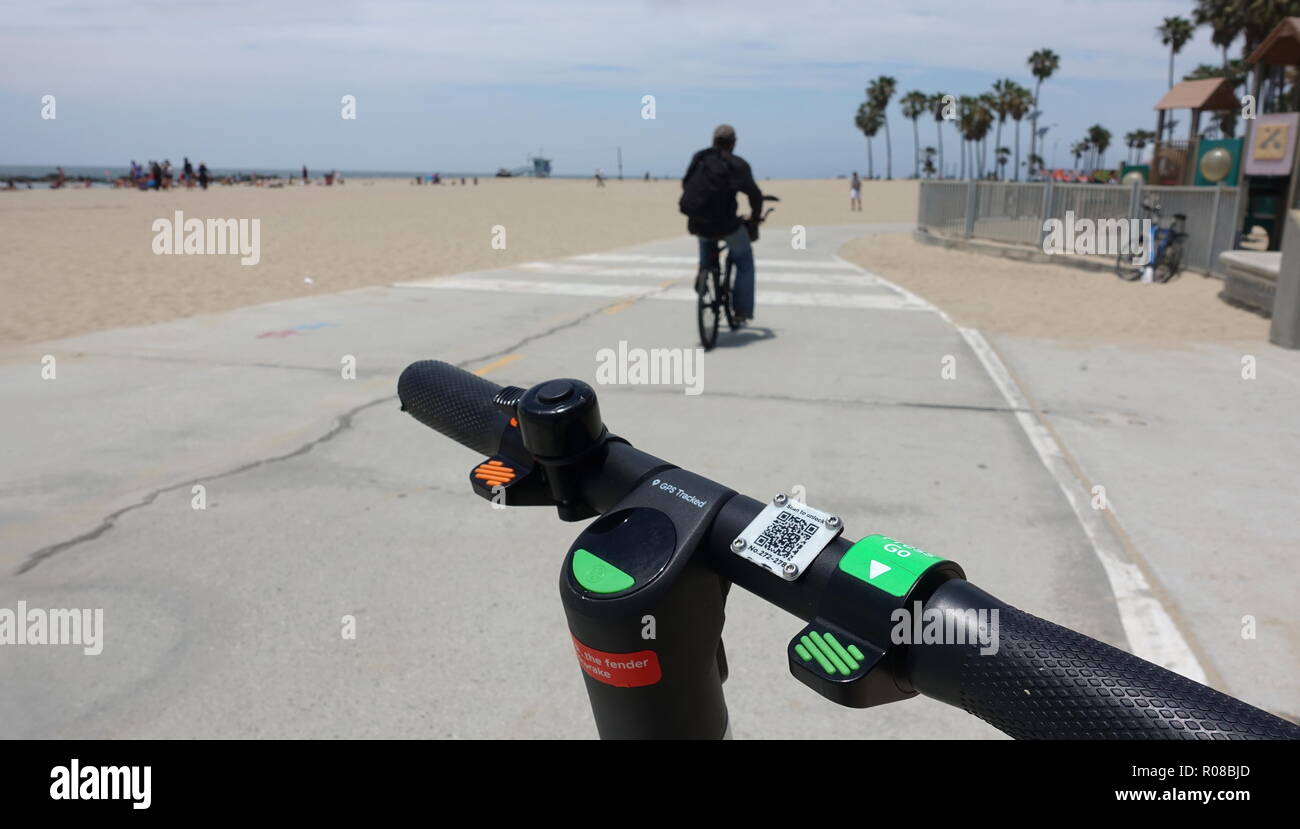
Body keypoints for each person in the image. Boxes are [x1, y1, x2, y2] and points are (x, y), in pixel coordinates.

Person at [680, 124, 763, 324]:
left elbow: (686, 184)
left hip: (699, 223)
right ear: (733, 143)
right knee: (744, 263)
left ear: (713, 140)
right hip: (727, 225)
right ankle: (741, 312)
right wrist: (755, 217)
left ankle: (703, 270)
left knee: (706, 243)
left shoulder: (699, 158)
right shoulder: (737, 164)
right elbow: (754, 194)